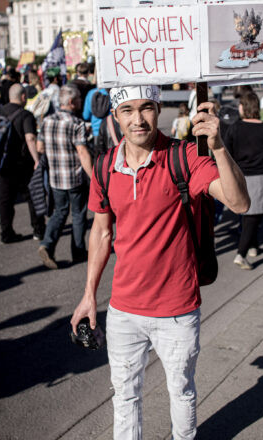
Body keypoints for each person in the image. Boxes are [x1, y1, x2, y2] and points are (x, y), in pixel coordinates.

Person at [70, 85, 250, 439]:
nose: (138, 119)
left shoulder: (185, 157)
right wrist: (89, 294)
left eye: (147, 108)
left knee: (180, 393)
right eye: (127, 110)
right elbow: (101, 233)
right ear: (115, 117)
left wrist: (217, 147)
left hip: (176, 310)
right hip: (123, 310)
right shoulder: (106, 166)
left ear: (159, 109)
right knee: (125, 397)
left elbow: (239, 202)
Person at [224, 92, 263, 270]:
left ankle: (252, 246)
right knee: (253, 217)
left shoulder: (234, 128)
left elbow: (226, 153)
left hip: (240, 178)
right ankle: (241, 254)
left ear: (243, 107)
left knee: (249, 216)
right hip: (261, 179)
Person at [37, 85, 93, 269]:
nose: (80, 102)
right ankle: (78, 251)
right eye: (78, 100)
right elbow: (82, 152)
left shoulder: (47, 121)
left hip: (55, 177)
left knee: (59, 212)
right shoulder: (76, 124)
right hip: (74, 177)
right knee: (78, 214)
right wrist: (93, 177)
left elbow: (40, 148)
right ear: (71, 102)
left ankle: (47, 244)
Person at [0, 84, 45, 243]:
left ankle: (6, 232)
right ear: (23, 97)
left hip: (2, 163)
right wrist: (37, 160)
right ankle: (38, 230)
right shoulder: (25, 115)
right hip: (22, 163)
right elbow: (30, 138)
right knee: (32, 196)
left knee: (5, 199)